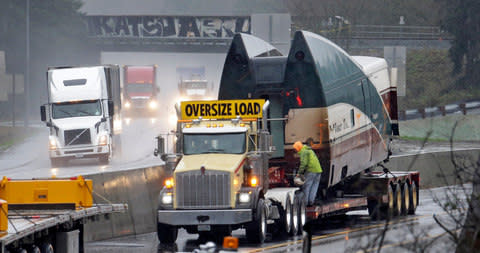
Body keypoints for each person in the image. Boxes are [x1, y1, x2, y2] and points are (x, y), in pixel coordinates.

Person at [294, 141, 322, 206]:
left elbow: (303, 164)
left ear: (298, 147)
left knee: (306, 186)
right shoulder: (308, 149)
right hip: (318, 170)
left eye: (295, 148)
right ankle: (311, 201)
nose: (295, 150)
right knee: (314, 186)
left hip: (311, 170)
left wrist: (299, 173)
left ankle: (305, 203)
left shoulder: (303, 151)